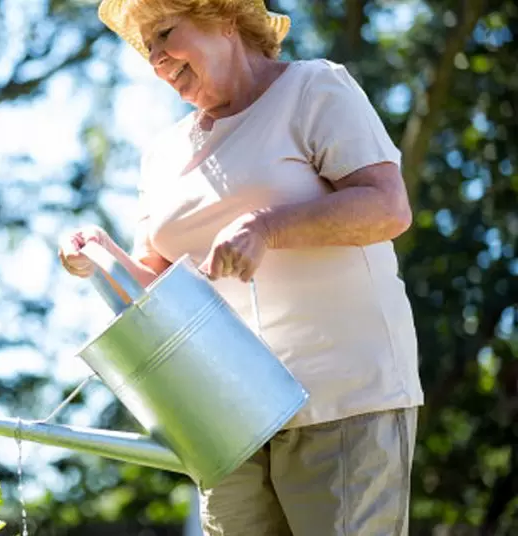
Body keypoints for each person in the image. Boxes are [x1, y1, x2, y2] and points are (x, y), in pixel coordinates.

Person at [57, 0, 424, 534]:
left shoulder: (313, 89)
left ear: (225, 17)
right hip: (228, 421)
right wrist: (100, 257)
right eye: (147, 48)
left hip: (344, 399)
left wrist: (267, 227)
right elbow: (160, 292)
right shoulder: (162, 154)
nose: (156, 59)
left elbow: (387, 207)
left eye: (164, 33)